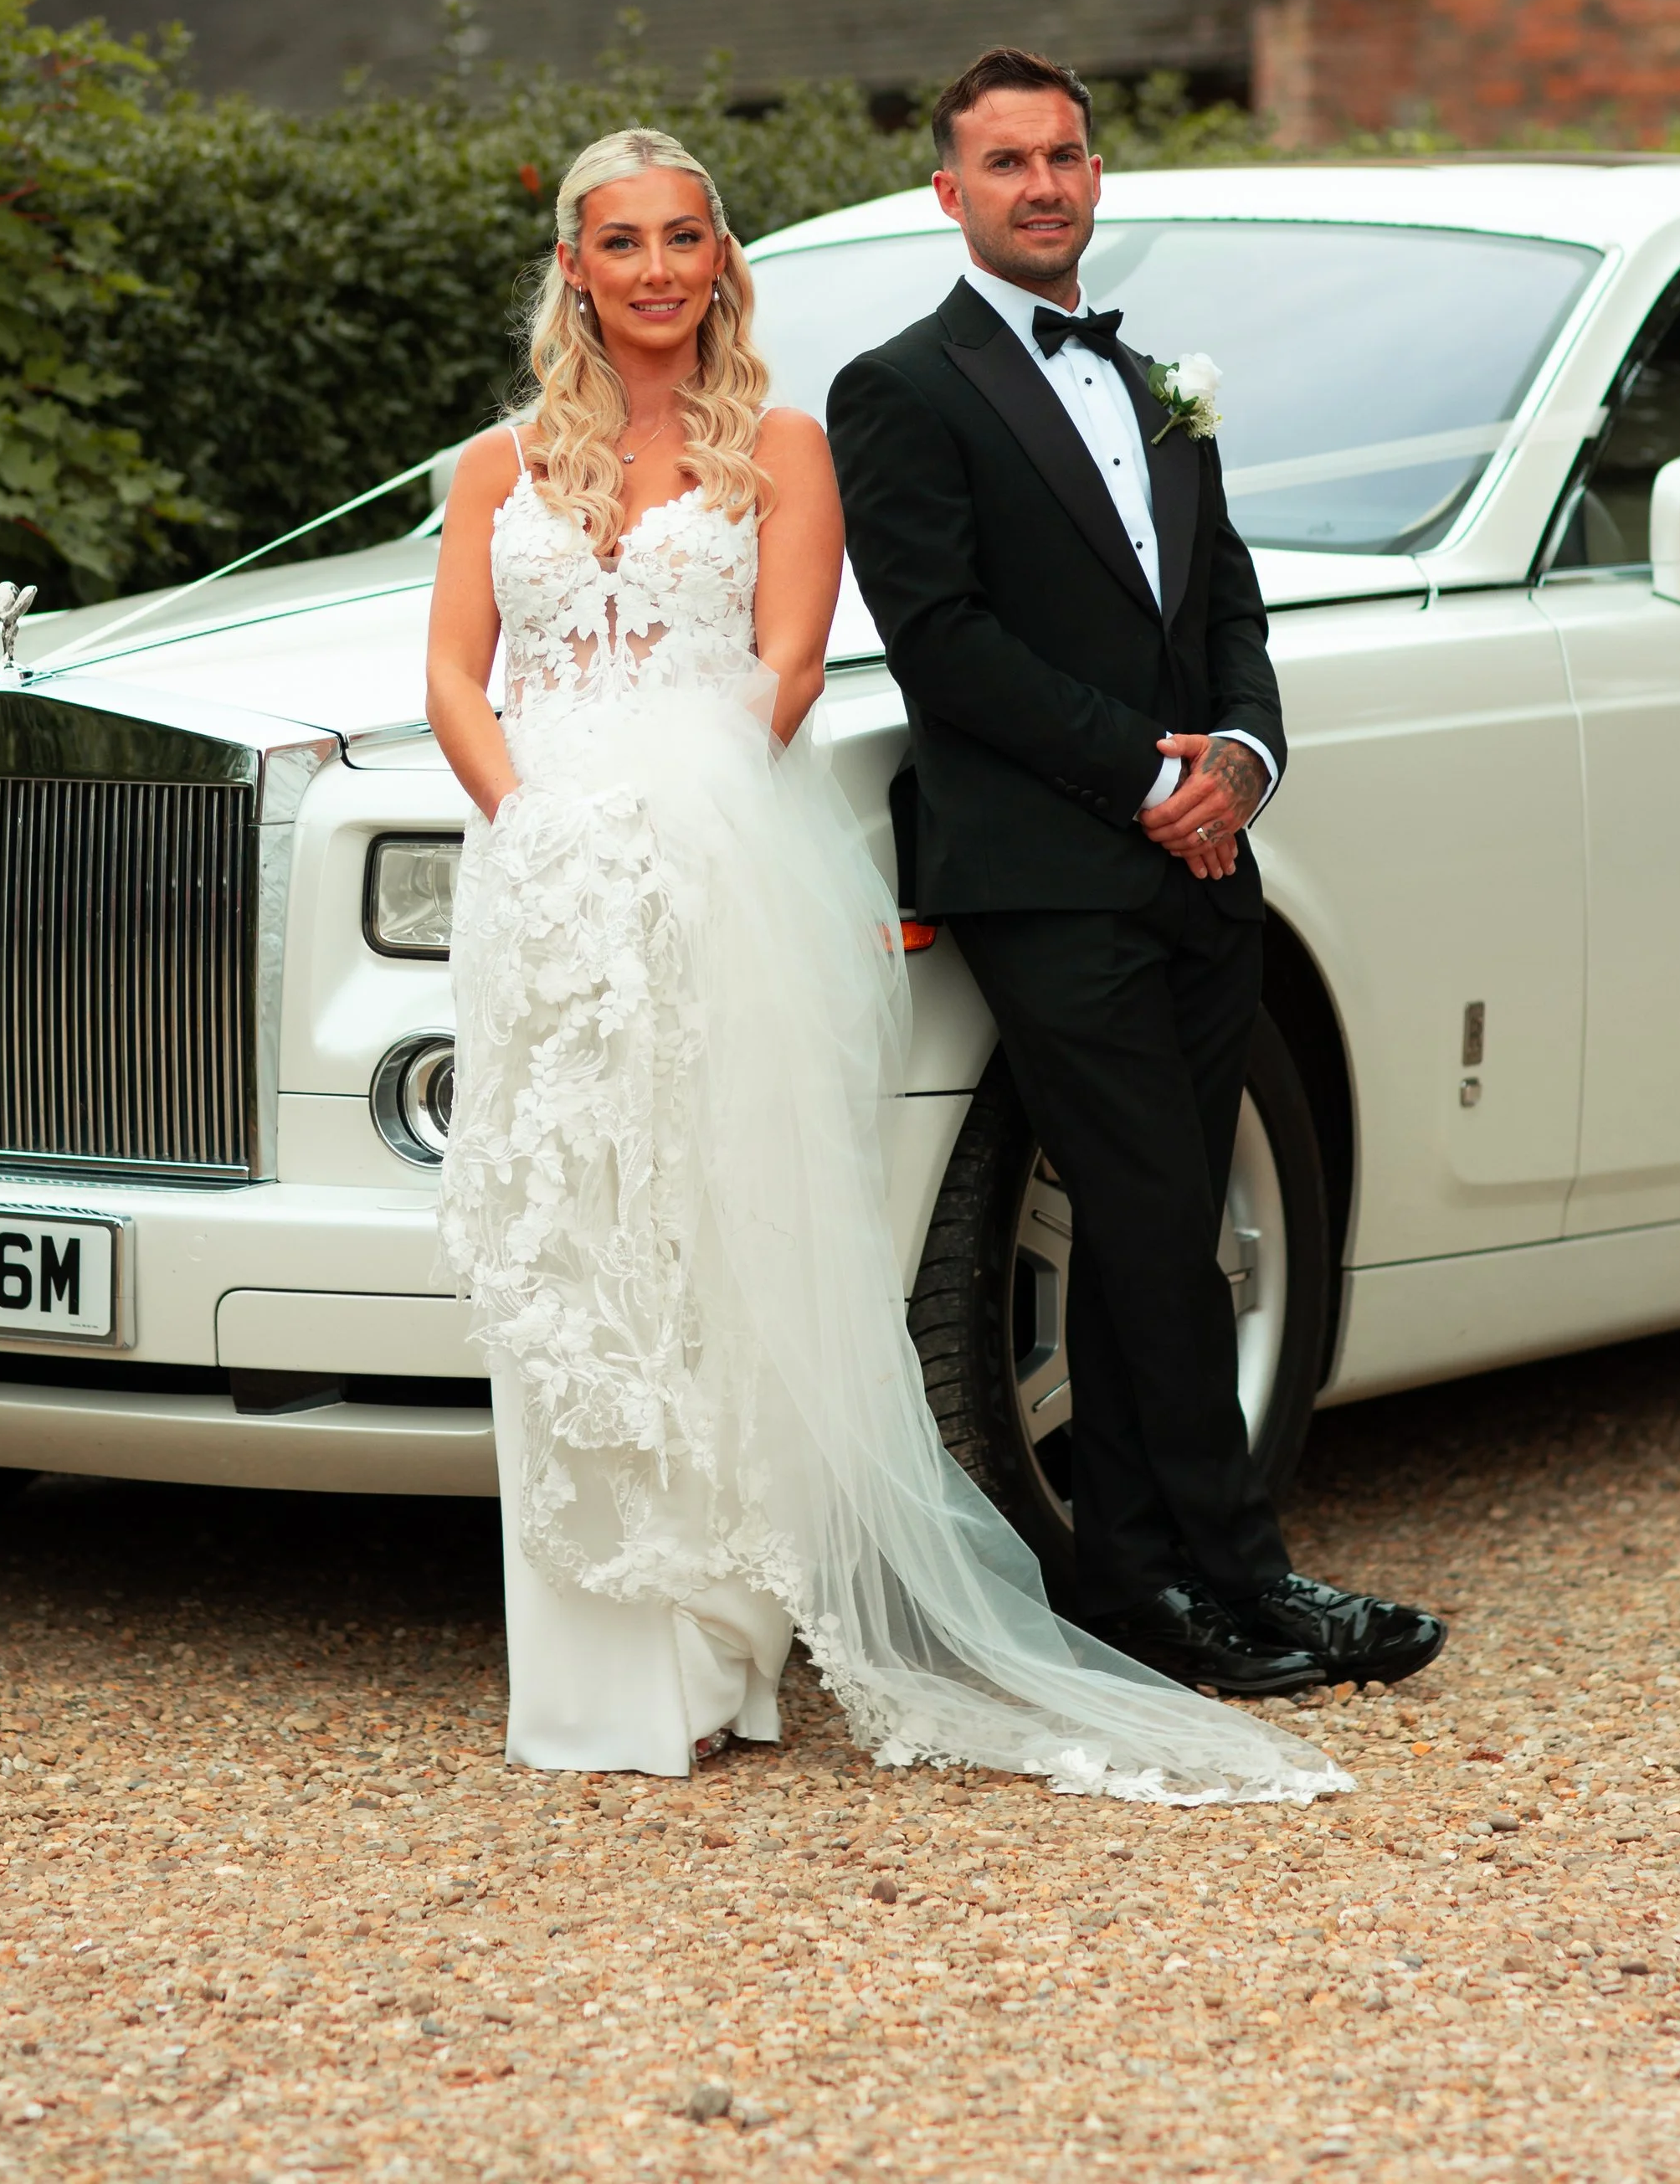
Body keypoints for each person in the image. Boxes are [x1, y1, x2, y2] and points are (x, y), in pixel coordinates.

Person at [425, 124, 1347, 1802]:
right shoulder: (491, 467)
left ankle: (716, 1645)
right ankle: (583, 1674)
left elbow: (782, 670)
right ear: (571, 265)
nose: (650, 270)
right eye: (618, 242)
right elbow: (453, 678)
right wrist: (534, 832)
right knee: (576, 1256)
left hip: (706, 870)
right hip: (548, 893)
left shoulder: (781, 445)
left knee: (712, 1243)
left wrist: (655, 821)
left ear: (720, 260)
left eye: (680, 238)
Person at [826, 50, 1446, 1697]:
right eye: (1006, 161)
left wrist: (1240, 755)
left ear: (1097, 177)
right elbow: (938, 641)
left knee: (1151, 1223)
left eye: (1066, 156)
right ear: (945, 192)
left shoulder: (1166, 382)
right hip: (1045, 864)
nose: (1043, 184)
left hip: (1204, 854)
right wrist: (1140, 773)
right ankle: (1237, 1575)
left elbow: (1226, 605)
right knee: (1154, 1208)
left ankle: (1139, 1581)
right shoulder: (899, 388)